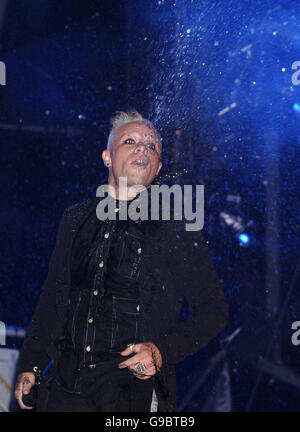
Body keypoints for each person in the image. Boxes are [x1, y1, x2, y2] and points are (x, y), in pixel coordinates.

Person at [14, 110, 228, 412]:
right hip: (65, 388)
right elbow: (54, 297)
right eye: (130, 141)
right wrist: (31, 363)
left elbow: (214, 311)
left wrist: (161, 351)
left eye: (152, 146)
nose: (143, 148)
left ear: (158, 168)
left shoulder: (176, 227)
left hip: (130, 395)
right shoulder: (75, 219)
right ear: (107, 157)